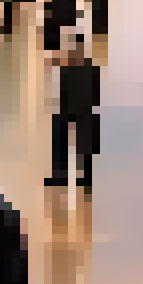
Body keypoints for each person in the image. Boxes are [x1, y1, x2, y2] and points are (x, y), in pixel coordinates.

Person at [48, 39, 100, 189]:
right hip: (66, 110)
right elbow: (60, 92)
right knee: (59, 139)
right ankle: (59, 176)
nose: (75, 52)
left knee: (87, 143)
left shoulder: (91, 67)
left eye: (78, 49)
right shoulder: (65, 68)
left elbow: (95, 95)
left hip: (85, 110)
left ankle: (86, 179)